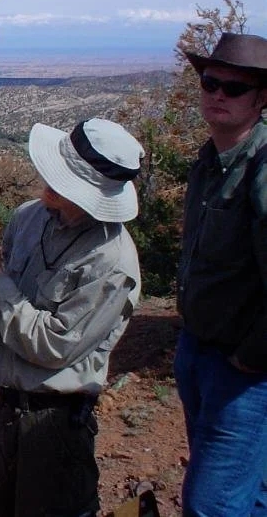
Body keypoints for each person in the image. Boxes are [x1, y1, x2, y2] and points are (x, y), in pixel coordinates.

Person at [0, 118, 145, 517]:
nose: (48, 182)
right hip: (5, 408)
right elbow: (10, 303)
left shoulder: (111, 261)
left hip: (54, 422)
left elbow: (54, 346)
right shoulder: (29, 217)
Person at [174, 32, 267, 516]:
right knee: (248, 496)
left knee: (211, 504)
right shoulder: (210, 161)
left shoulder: (262, 167)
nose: (218, 94)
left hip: (244, 371)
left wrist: (252, 356)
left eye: (234, 88)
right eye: (211, 82)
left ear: (261, 98)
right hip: (199, 349)